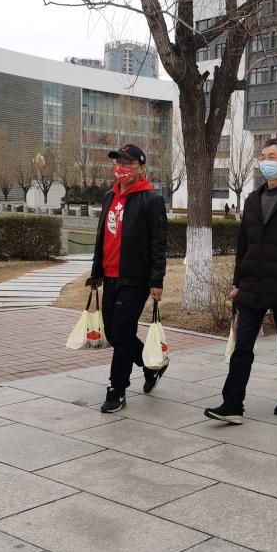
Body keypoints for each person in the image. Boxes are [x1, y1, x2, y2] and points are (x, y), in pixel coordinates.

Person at [205, 138, 277, 424]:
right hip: (252, 284)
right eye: (263, 156)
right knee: (243, 345)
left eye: (272, 156)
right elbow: (244, 245)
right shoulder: (252, 200)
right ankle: (232, 404)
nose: (265, 161)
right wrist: (237, 281)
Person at [87, 143, 168, 413]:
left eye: (128, 163)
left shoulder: (151, 200)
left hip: (135, 279)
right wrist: (96, 273)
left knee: (122, 332)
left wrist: (157, 281)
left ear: (141, 168)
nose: (121, 167)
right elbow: (102, 237)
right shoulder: (109, 196)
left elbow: (158, 243)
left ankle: (117, 389)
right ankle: (150, 365)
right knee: (114, 333)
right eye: (118, 162)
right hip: (110, 276)